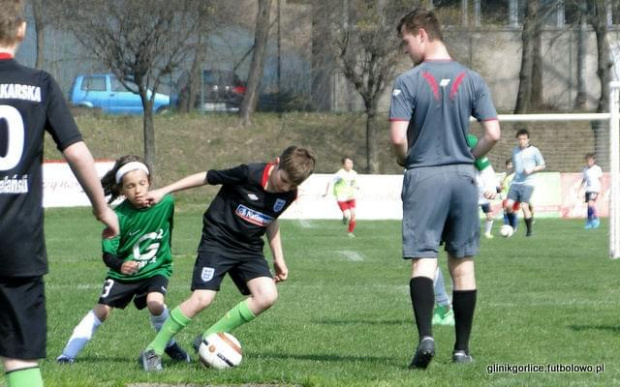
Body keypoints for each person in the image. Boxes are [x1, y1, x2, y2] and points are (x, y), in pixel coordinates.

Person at [0, 2, 119, 386]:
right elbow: (76, 152)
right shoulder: (40, 84)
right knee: (19, 357)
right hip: (17, 241)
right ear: (21, 31)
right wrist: (102, 208)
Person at [389, 8, 500, 369]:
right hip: (463, 179)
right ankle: (462, 350)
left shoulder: (407, 81)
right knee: (462, 266)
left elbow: (396, 138)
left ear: (421, 34)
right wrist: (468, 156)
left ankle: (425, 337)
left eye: (406, 41)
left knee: (424, 260)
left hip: (425, 176)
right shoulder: (472, 78)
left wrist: (406, 158)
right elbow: (494, 134)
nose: (405, 49)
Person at [139, 146, 317, 371]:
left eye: (293, 185)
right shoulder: (247, 173)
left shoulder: (288, 194)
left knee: (267, 295)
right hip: (218, 241)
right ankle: (153, 350)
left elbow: (270, 219)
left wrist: (278, 257)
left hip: (249, 248)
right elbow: (206, 177)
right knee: (202, 299)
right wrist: (164, 190)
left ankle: (208, 336)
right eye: (283, 180)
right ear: (277, 162)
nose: (285, 187)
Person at [57, 156, 190, 364]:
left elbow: (175, 192)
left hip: (156, 268)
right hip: (123, 274)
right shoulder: (117, 216)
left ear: (150, 182)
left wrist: (162, 192)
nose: (138, 190)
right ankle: (67, 355)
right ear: (121, 190)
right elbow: (108, 255)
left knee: (155, 304)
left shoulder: (166, 203)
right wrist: (121, 264)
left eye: (142, 183)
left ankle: (169, 346)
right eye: (130, 186)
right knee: (102, 310)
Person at [505, 128, 545, 237]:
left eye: (524, 139)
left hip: (528, 183)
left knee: (524, 206)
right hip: (515, 183)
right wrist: (505, 176)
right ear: (517, 140)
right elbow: (514, 166)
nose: (522, 141)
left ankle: (529, 232)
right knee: (508, 205)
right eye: (520, 139)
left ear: (528, 139)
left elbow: (542, 165)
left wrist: (532, 169)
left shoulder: (534, 150)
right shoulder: (515, 151)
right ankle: (512, 227)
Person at [466, 134, 499, 239]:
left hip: (482, 192)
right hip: (468, 192)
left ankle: (487, 232)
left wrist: (492, 187)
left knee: (489, 214)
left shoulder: (470, 142)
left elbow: (486, 169)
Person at [323, 156, 359, 237]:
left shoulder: (354, 173)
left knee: (353, 214)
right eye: (348, 163)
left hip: (351, 197)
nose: (350, 165)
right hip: (341, 198)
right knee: (347, 215)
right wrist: (326, 193)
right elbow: (329, 181)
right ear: (343, 165)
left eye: (351, 163)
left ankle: (350, 232)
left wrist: (356, 186)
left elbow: (353, 182)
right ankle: (345, 217)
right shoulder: (340, 174)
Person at [581, 153, 603, 229]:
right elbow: (584, 180)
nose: (589, 163)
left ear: (594, 161)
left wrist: (601, 190)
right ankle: (589, 221)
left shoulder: (597, 169)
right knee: (589, 206)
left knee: (590, 204)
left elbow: (601, 180)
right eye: (588, 161)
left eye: (590, 161)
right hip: (588, 189)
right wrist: (580, 188)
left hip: (595, 189)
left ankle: (596, 218)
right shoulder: (585, 170)